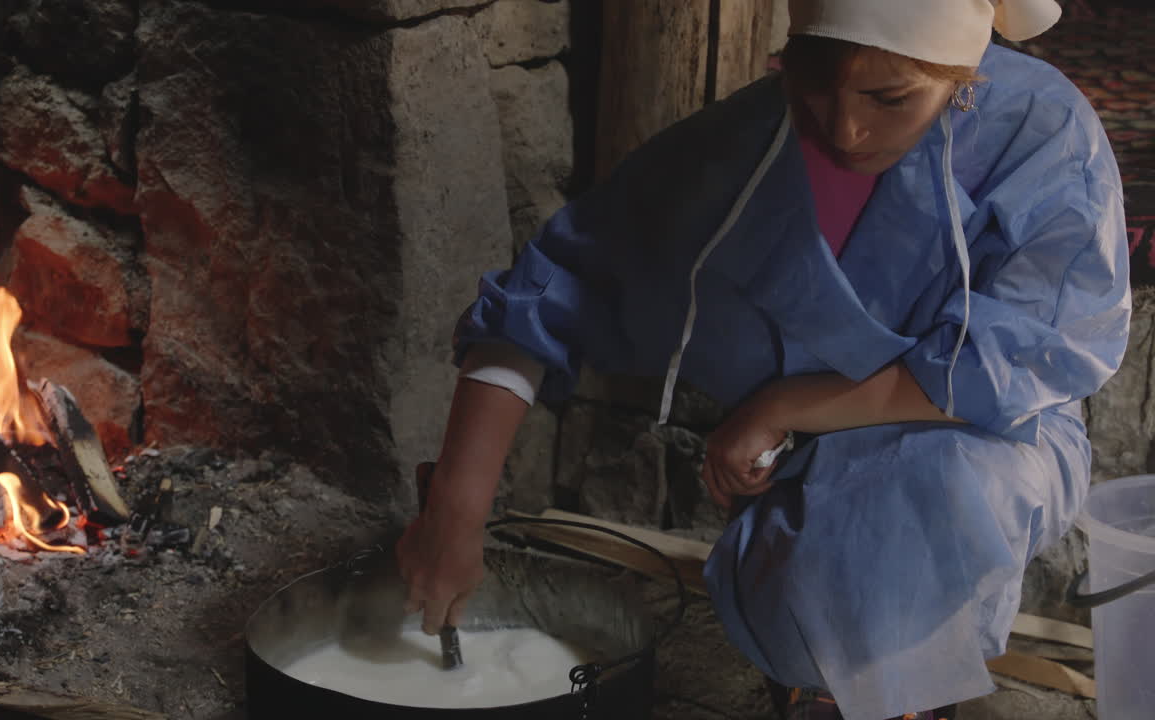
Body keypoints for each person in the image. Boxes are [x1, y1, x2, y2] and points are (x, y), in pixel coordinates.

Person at [397, 0, 1131, 718]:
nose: (845, 128)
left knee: (933, 492)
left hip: (994, 443)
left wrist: (783, 405)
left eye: (890, 98)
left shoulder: (1043, 133)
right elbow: (554, 292)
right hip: (801, 463)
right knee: (816, 580)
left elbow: (1019, 360)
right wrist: (456, 513)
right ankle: (822, 670)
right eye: (813, 85)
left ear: (962, 72)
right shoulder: (742, 144)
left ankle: (896, 690)